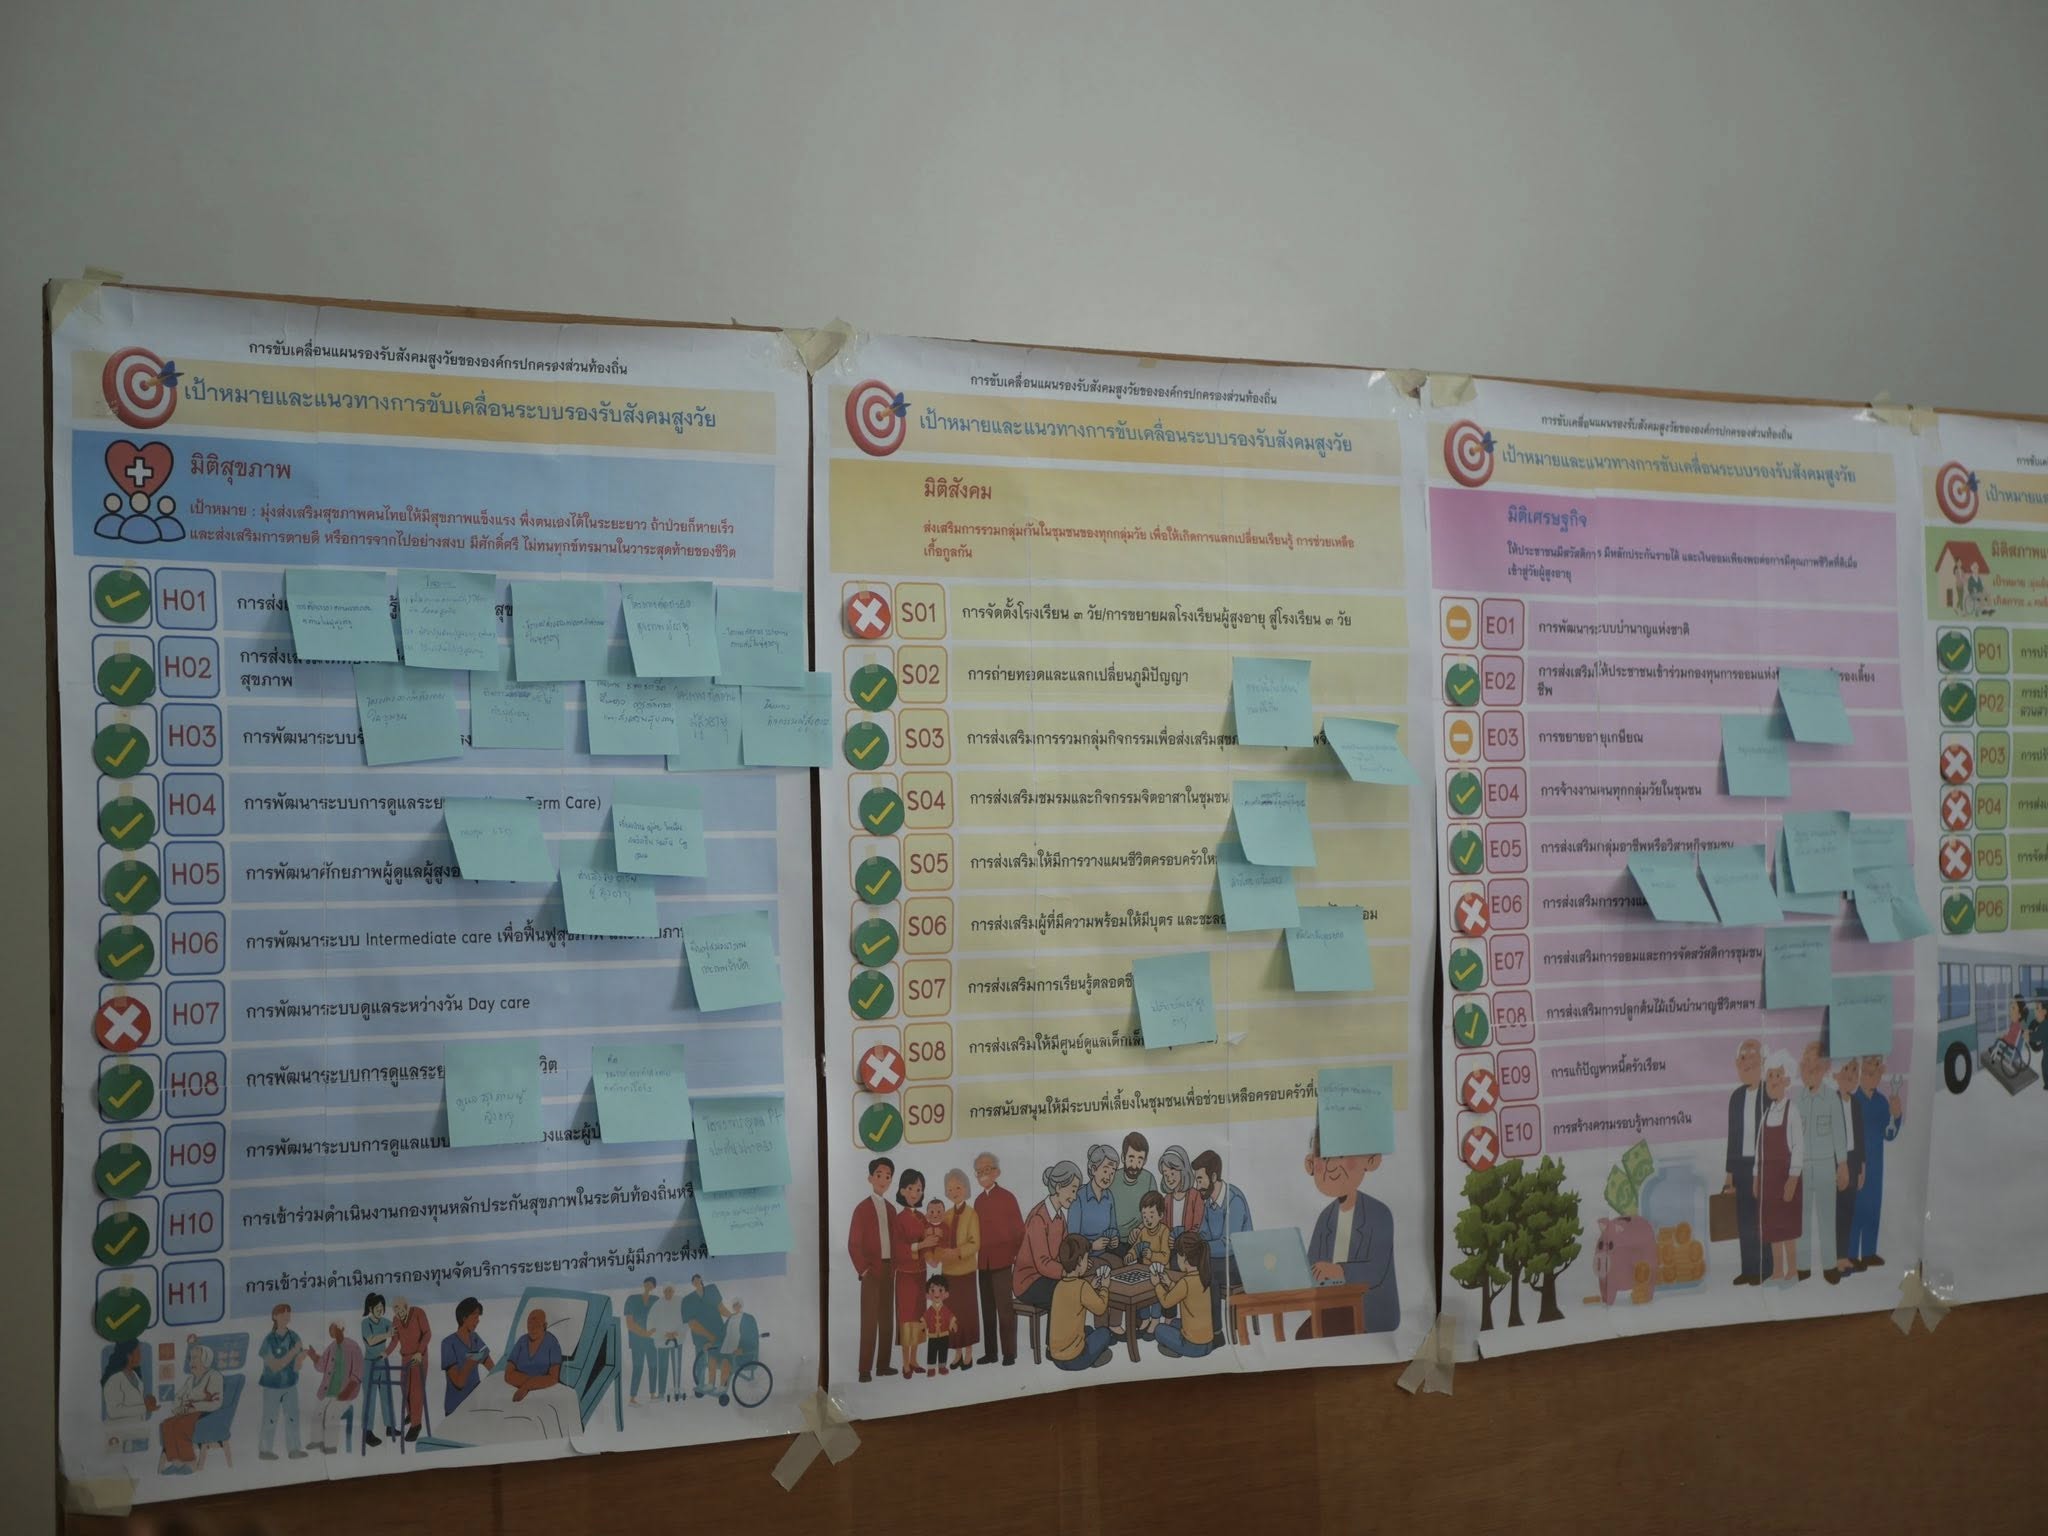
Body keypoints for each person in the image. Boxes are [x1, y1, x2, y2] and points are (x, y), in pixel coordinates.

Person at [1300, 1124, 1399, 1336]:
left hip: (1370, 1312)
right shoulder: (1325, 1218)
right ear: (1311, 1164)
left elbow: (1376, 1270)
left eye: (1341, 1155)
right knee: (1303, 1336)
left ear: (1369, 1161)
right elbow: (1311, 1266)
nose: (1331, 1166)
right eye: (1324, 1157)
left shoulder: (1379, 1213)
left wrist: (1340, 1271)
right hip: (1331, 1309)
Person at [1795, 1041, 1851, 1283]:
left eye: (1816, 1064)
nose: (1811, 1068)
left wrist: (1843, 1165)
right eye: (1807, 1063)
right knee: (1802, 1218)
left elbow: (1839, 1134)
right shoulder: (1797, 1100)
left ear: (1825, 1068)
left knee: (1827, 1216)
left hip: (1827, 1166)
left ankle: (1829, 1265)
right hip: (1802, 1167)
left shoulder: (1831, 1099)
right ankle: (1802, 1266)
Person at [1721, 1039, 1771, 1285]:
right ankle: (1748, 1269)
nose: (1747, 1061)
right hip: (1741, 1166)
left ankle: (1766, 1267)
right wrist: (1729, 1174)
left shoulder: (1769, 1094)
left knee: (1762, 1219)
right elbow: (1733, 1137)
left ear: (1762, 1062)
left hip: (1764, 1166)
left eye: (1753, 1056)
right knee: (1744, 1220)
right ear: (1736, 1064)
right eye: (1743, 1057)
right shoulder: (1736, 1097)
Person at [846, 1156, 899, 1383]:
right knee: (869, 1321)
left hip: (889, 1269)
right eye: (879, 1175)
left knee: (887, 1319)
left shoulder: (891, 1209)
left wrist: (895, 1267)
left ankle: (883, 1365)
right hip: (871, 1271)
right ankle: (864, 1369)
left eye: (888, 1176)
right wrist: (863, 1269)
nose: (883, 1180)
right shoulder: (862, 1209)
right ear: (870, 1178)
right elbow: (853, 1244)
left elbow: (896, 1240)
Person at [1191, 1149, 1253, 1331]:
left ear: (1213, 1176)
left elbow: (1229, 1244)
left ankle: (1215, 1331)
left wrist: (1201, 1248)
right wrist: (1195, 1244)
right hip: (1219, 1258)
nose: (1197, 1185)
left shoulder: (1234, 1199)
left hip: (1240, 1262)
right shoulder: (1208, 1201)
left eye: (1200, 1179)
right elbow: (1203, 1233)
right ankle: (1198, 1326)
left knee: (1206, 1272)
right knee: (1191, 1267)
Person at [1850, 1056, 1903, 1268]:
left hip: (1876, 1166)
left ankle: (1869, 1253)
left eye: (1873, 1074)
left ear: (1880, 1075)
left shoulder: (1882, 1102)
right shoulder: (1853, 1101)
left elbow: (1889, 1134)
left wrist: (1896, 1116)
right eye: (1865, 1073)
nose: (1868, 1077)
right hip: (1856, 1165)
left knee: (1873, 1207)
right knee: (1856, 1210)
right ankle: (1851, 1254)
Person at [1757, 1049, 1804, 1286]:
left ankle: (1792, 1271)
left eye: (1777, 1076)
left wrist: (1793, 1178)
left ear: (1786, 1081)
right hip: (1768, 1182)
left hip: (1786, 1180)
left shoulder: (1792, 1111)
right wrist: (1756, 1177)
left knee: (1788, 1229)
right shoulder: (1766, 1114)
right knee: (1773, 1230)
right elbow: (1759, 1150)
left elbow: (1798, 1147)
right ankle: (1777, 1271)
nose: (1773, 1081)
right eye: (1769, 1077)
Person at [974, 1152, 1022, 1367]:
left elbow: (1019, 1230)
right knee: (987, 1311)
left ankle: (1009, 1353)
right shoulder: (977, 1201)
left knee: (1005, 1310)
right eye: (979, 1172)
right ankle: (991, 1353)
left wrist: (1014, 1255)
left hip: (1003, 1262)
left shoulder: (1007, 1197)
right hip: (983, 1262)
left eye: (986, 1170)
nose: (983, 1175)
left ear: (996, 1172)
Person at [1015, 1160, 1083, 1310]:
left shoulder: (1060, 1217)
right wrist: (1066, 1272)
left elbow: (1065, 1250)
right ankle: (1056, 1328)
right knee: (1064, 1294)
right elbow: (1042, 1263)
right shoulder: (1038, 1218)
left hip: (1048, 1276)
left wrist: (1077, 1263)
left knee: (1075, 1289)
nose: (1074, 1197)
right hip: (1029, 1282)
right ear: (1058, 1187)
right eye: (1073, 1191)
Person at [1047, 1235, 1116, 1371]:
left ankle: (1095, 1354)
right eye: (1086, 1258)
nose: (1088, 1262)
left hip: (1057, 1359)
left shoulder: (1059, 1286)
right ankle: (1092, 1359)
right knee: (1104, 1333)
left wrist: (1092, 1286)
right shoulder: (1082, 1286)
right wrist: (1104, 1287)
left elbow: (1074, 1300)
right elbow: (1100, 1308)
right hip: (1075, 1359)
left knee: (1088, 1329)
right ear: (1079, 1261)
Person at [1150, 1232, 1219, 1359]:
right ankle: (1176, 1346)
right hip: (1208, 1343)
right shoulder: (1203, 1276)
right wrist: (1169, 1283)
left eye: (1178, 1255)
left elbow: (1166, 1302)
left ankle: (1177, 1349)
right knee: (1174, 1323)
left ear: (1184, 1257)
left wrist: (1157, 1284)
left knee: (1159, 1329)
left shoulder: (1185, 1281)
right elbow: (1185, 1295)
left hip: (1192, 1346)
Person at [158, 1340, 222, 1475]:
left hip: (205, 1413)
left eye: (195, 1358)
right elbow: (178, 1396)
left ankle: (190, 1463)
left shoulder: (214, 1376)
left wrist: (194, 1407)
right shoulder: (190, 1379)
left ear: (205, 1359)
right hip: (188, 1412)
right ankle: (177, 1463)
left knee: (181, 1424)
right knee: (167, 1424)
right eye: (190, 1358)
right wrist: (178, 1408)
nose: (191, 1362)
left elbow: (216, 1403)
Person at [938, 1168, 981, 1371]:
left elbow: (975, 1243)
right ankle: (956, 1353)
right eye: (950, 1189)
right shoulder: (945, 1215)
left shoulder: (972, 1214)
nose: (954, 1192)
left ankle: (969, 1353)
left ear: (966, 1188)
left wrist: (957, 1252)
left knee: (967, 1313)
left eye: (958, 1187)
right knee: (952, 1314)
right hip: (948, 1274)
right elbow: (940, 1241)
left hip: (966, 1273)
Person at [256, 1302, 310, 1461]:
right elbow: (274, 1366)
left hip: (290, 1384)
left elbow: (297, 1366)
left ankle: (294, 1449)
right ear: (275, 1316)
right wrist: (294, 1352)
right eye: (282, 1313)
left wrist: (301, 1358)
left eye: (288, 1313)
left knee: (292, 1417)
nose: (286, 1316)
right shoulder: (269, 1340)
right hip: (272, 1386)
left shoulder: (294, 1337)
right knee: (270, 1418)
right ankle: (265, 1450)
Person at [891, 1168, 932, 1376]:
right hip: (905, 1275)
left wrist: (932, 1246)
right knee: (906, 1317)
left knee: (918, 1316)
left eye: (919, 1189)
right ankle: (905, 1363)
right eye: (911, 1188)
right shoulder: (898, 1219)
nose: (915, 1193)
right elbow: (897, 1249)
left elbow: (928, 1244)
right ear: (902, 1191)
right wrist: (921, 1245)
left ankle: (915, 1359)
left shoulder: (923, 1218)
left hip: (921, 1273)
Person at [1833, 1059, 1865, 1281]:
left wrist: (1862, 1166)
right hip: (1837, 1163)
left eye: (1855, 1070)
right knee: (1838, 1212)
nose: (1851, 1074)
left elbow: (1860, 1137)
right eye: (1846, 1069)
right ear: (1836, 1074)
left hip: (1853, 1161)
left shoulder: (1855, 1103)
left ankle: (1844, 1256)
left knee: (1849, 1210)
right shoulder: (1832, 1102)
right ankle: (1837, 1258)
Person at [309, 1320, 363, 1454]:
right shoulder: (331, 1347)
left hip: (345, 1393)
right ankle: (317, 1441)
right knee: (317, 1412)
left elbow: (358, 1373)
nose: (331, 1331)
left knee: (331, 1413)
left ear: (341, 1329)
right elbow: (322, 1366)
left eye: (333, 1329)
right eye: (330, 1329)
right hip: (328, 1392)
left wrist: (347, 1392)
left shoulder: (353, 1347)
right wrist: (314, 1357)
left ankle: (331, 1446)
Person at [440, 1297, 493, 1417]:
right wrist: (471, 1361)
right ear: (464, 1318)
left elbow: (491, 1366)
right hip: (455, 1409)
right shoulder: (448, 1343)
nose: (478, 1321)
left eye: (478, 1317)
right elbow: (459, 1383)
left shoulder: (475, 1338)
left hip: (475, 1407)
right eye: (475, 1317)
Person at [390, 1295, 432, 1441]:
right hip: (405, 1358)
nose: (399, 1313)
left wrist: (419, 1352)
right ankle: (412, 1413)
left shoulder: (418, 1313)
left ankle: (416, 1424)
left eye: (401, 1310)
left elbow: (427, 1333)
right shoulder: (395, 1320)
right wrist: (385, 1353)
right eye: (396, 1311)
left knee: (415, 1392)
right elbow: (394, 1340)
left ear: (406, 1307)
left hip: (419, 1357)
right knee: (405, 1389)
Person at [503, 1308, 564, 1404]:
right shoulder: (522, 1341)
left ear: (544, 1326)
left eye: (537, 1325)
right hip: (517, 1390)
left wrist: (526, 1387)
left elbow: (553, 1378)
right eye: (529, 1324)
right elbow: (508, 1375)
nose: (532, 1328)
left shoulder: (552, 1342)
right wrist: (536, 1381)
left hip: (541, 1395)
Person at [679, 1274, 724, 1398]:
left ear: (701, 1280)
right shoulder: (688, 1300)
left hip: (717, 1333)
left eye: (698, 1279)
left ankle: (715, 1385)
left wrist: (734, 1318)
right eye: (694, 1280)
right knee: (701, 1362)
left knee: (715, 1360)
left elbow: (722, 1309)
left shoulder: (712, 1290)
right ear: (692, 1283)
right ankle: (700, 1386)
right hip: (701, 1337)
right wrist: (709, 1336)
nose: (696, 1282)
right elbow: (692, 1324)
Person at [707, 1296, 759, 1406]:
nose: (736, 1307)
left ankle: (722, 1387)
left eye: (738, 1304)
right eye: (734, 1305)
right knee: (712, 1358)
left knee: (726, 1361)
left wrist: (742, 1349)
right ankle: (710, 1384)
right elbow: (722, 1334)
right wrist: (712, 1343)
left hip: (741, 1353)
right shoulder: (730, 1318)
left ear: (741, 1305)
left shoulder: (748, 1319)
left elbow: (752, 1338)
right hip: (726, 1349)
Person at [1073, 1144, 1121, 1254]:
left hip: (1105, 1253)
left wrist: (1114, 1239)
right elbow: (1072, 1239)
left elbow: (1113, 1228)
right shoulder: (1078, 1196)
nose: (1108, 1177)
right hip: (1082, 1256)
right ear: (1094, 1169)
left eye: (1112, 1173)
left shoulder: (1109, 1196)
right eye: (1105, 1171)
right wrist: (1091, 1246)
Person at [359, 1292, 393, 1447]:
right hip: (369, 1364)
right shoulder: (365, 1323)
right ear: (370, 1308)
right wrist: (387, 1334)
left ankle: (390, 1427)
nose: (380, 1309)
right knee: (370, 1399)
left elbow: (396, 1330)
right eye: (377, 1307)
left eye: (382, 1307)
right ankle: (367, 1432)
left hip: (383, 1363)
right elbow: (371, 1341)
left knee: (387, 1395)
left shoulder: (386, 1321)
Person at [1110, 1130, 1157, 1241]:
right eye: (1131, 1159)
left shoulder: (1149, 1179)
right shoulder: (1112, 1178)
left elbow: (1156, 1211)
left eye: (1139, 1160)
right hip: (1114, 1239)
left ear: (1145, 1161)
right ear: (1123, 1157)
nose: (1135, 1166)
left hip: (1140, 1238)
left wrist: (1140, 1229)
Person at [625, 1276, 661, 1405]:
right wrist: (644, 1333)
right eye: (648, 1283)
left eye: (652, 1284)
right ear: (644, 1283)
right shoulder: (632, 1299)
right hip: (637, 1341)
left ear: (654, 1287)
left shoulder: (656, 1300)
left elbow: (660, 1320)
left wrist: (654, 1333)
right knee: (637, 1367)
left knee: (653, 1366)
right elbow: (630, 1324)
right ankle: (632, 1398)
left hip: (652, 1341)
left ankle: (652, 1394)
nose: (649, 1286)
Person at [101, 1339, 155, 1424]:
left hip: (138, 1427)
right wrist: (144, 1408)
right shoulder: (114, 1380)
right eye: (138, 1353)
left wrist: (146, 1402)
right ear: (129, 1356)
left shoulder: (136, 1377)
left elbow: (132, 1401)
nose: (140, 1357)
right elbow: (113, 1412)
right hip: (120, 1429)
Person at [648, 1282, 685, 1402]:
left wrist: (677, 1332)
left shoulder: (680, 1302)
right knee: (662, 1367)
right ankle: (661, 1393)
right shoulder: (657, 1305)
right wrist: (664, 1334)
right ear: (663, 1292)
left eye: (670, 1290)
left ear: (673, 1291)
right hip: (662, 1341)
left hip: (677, 1340)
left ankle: (677, 1390)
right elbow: (651, 1322)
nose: (668, 1293)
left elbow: (686, 1319)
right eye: (666, 1291)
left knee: (677, 1366)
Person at [1156, 1145, 1205, 1234]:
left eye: (1172, 1173)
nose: (1169, 1178)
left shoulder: (1195, 1196)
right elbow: (1163, 1226)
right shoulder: (1166, 1199)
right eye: (1165, 1175)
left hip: (1190, 1241)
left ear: (1183, 1170)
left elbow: (1198, 1226)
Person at [1128, 1191, 1175, 1272]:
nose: (1147, 1220)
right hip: (1145, 1270)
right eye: (1144, 1216)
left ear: (1160, 1215)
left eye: (1151, 1216)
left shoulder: (1164, 1231)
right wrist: (1130, 1255)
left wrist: (1151, 1255)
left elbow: (1165, 1258)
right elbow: (1136, 1248)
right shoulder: (1143, 1231)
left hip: (1162, 1271)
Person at [920, 1276, 957, 1377]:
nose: (936, 1294)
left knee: (943, 1351)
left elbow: (950, 1317)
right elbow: (925, 1319)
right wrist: (923, 1325)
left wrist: (953, 1324)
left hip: (944, 1335)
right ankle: (931, 1368)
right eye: (932, 1290)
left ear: (946, 1294)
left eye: (940, 1290)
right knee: (931, 1351)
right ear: (928, 1295)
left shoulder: (945, 1309)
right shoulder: (929, 1310)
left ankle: (942, 1367)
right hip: (932, 1335)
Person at [921, 1196, 950, 1276]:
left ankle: (936, 1261)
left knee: (939, 1250)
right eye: (932, 1212)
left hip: (940, 1246)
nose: (935, 1215)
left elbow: (948, 1237)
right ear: (927, 1214)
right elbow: (921, 1237)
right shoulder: (926, 1226)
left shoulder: (945, 1226)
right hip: (928, 1247)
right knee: (926, 1251)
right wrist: (925, 1233)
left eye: (939, 1211)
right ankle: (930, 1261)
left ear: (944, 1213)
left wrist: (942, 1234)